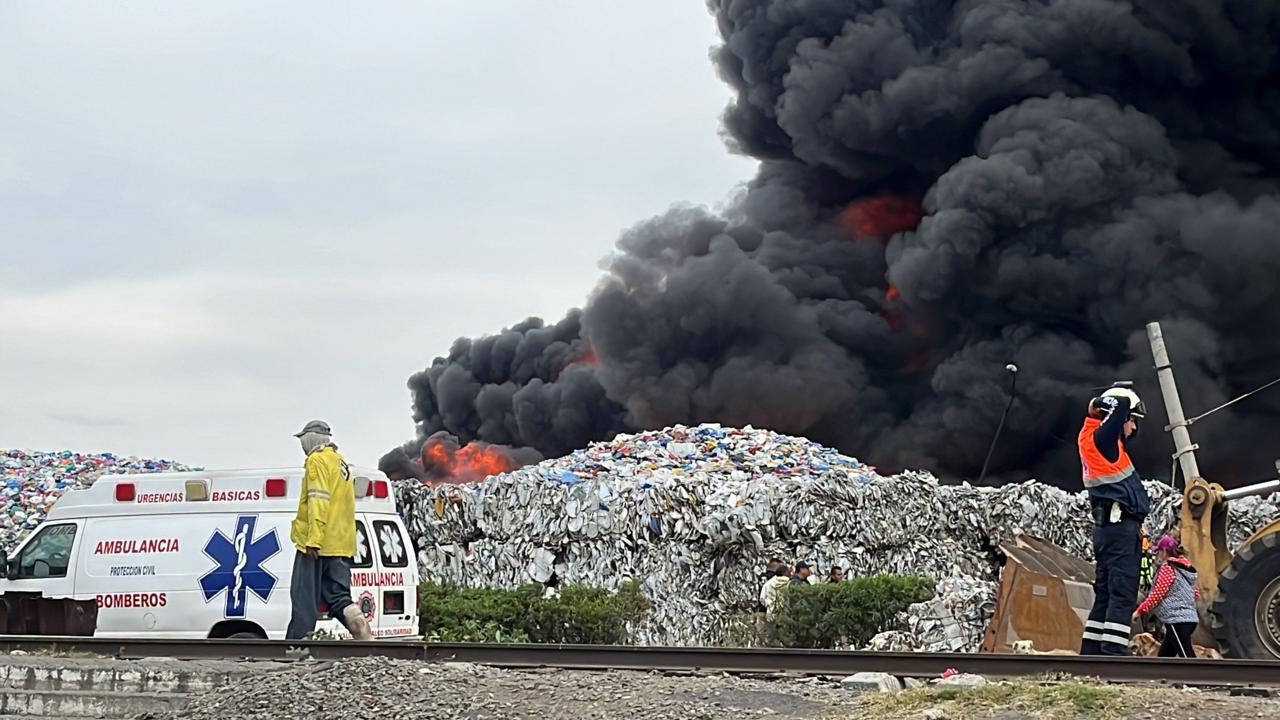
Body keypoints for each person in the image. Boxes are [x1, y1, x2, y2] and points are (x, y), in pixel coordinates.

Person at [1078, 385, 1151, 655]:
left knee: (1106, 593)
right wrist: (1099, 402)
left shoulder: (1096, 440)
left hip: (1110, 528)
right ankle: (1113, 655)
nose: (1132, 427)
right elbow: (1120, 404)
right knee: (1122, 592)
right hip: (1119, 529)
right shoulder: (1102, 440)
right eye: (1132, 420)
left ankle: (1091, 652)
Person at [285, 420, 373, 641]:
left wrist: (313, 539)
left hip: (317, 545)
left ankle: (297, 648)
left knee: (303, 599)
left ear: (312, 439)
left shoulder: (317, 461)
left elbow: (318, 501)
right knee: (339, 597)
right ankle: (362, 631)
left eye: (303, 440)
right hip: (341, 545)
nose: (302, 445)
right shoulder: (340, 462)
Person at [1133, 535, 1200, 657]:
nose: (1158, 555)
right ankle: (1160, 675)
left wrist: (1140, 611)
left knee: (1187, 656)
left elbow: (1157, 594)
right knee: (1164, 656)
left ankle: (1196, 676)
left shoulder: (1168, 568)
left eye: (1158, 551)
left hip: (1178, 620)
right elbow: (1196, 593)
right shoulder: (1186, 569)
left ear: (1164, 551)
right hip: (1189, 619)